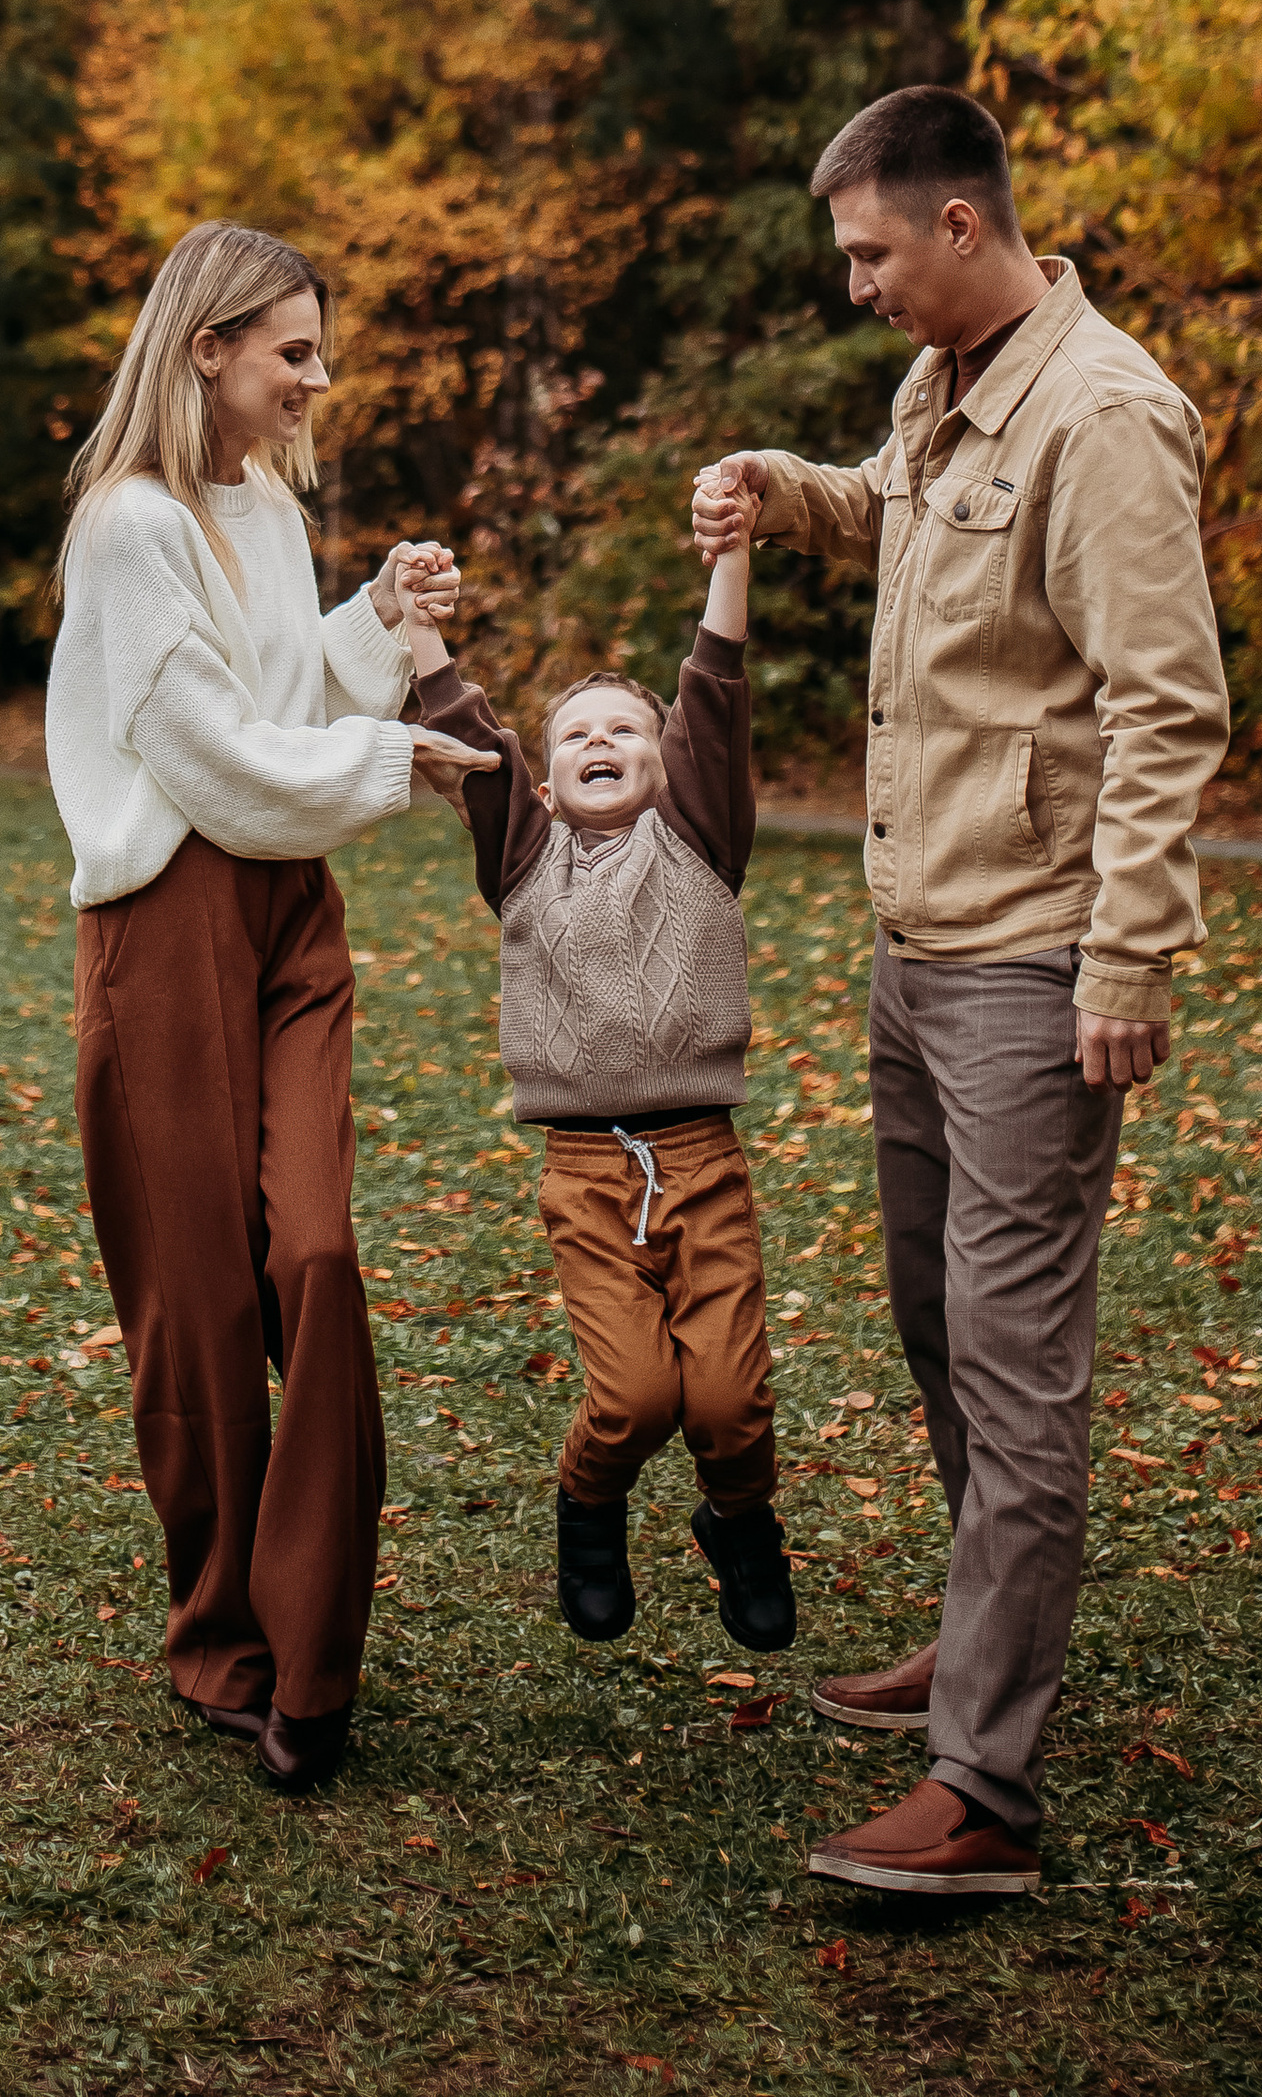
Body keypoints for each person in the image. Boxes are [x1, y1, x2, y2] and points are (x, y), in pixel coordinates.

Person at [692, 86, 1228, 1900]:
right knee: (936, 1316)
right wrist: (787, 493)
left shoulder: (1104, 416)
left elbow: (1168, 705)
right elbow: (902, 520)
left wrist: (1129, 956)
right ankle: (979, 1641)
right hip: (916, 944)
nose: (855, 287)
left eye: (868, 253)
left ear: (960, 225)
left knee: (1014, 1359)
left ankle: (986, 1787)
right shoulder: (947, 383)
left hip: (1031, 963)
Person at [46, 220, 478, 1792]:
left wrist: (377, 620)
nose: (317, 379)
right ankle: (226, 1643)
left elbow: (284, 701)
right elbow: (209, 755)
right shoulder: (128, 526)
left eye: (319, 351)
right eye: (294, 351)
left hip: (291, 919)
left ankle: (318, 1652)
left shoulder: (269, 514)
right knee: (202, 1312)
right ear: (207, 348)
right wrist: (398, 760)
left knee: (318, 1255)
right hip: (168, 927)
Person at [397, 484, 796, 1658]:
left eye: (626, 730)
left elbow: (715, 691)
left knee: (727, 1401)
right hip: (586, 1174)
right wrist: (418, 627)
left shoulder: (701, 840)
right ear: (544, 781)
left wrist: (731, 555)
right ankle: (588, 1506)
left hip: (702, 1163)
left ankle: (740, 1523)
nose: (600, 744)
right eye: (574, 736)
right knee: (634, 1399)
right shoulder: (525, 860)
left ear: (670, 766)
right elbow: (470, 735)